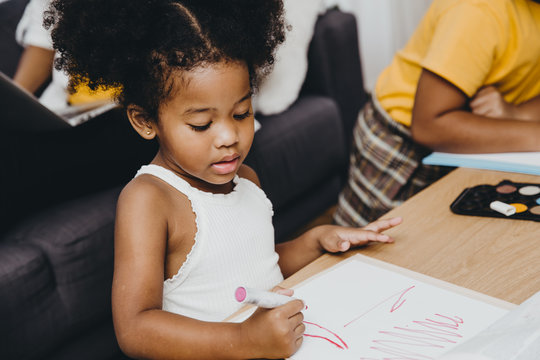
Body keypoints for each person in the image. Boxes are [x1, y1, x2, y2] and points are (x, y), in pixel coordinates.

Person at [46, 0, 402, 359]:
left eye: (242, 113)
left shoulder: (246, 178)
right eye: (201, 124)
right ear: (145, 121)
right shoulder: (149, 199)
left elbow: (255, 266)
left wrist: (316, 241)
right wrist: (245, 340)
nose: (229, 136)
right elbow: (136, 328)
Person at [334, 0, 540, 228]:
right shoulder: (477, 10)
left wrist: (518, 113)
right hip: (402, 147)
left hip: (487, 139)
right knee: (366, 242)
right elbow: (429, 125)